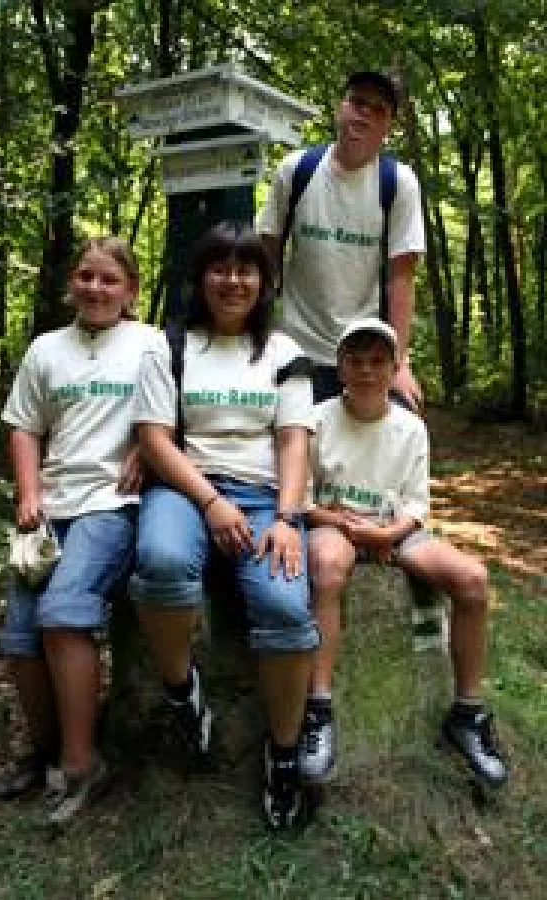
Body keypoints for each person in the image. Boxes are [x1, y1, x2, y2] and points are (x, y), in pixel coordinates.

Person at [130, 221, 319, 831]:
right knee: (159, 561)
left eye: (246, 270)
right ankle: (184, 694)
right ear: (201, 277)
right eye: (220, 268)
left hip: (265, 498)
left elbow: (293, 443)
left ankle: (284, 754)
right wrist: (211, 502)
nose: (232, 281)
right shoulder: (172, 346)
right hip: (187, 489)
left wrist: (288, 518)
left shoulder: (284, 354)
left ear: (264, 283)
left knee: (287, 605)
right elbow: (154, 440)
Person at [0, 237, 161, 825]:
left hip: (112, 503)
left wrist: (148, 445)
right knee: (18, 638)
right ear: (72, 283)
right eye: (85, 277)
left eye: (109, 279)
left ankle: (83, 765)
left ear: (131, 290)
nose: (95, 288)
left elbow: (175, 413)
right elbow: (23, 427)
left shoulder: (150, 343)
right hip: (50, 508)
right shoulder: (45, 350)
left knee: (64, 612)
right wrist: (30, 492)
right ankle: (42, 754)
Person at [300, 317, 508, 788]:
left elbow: (417, 504)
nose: (367, 371)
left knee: (473, 579)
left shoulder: (411, 428)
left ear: (395, 369)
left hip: (394, 528)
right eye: (355, 361)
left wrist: (389, 534)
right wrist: (343, 525)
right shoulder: (315, 421)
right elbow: (302, 500)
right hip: (336, 524)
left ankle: (468, 712)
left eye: (378, 362)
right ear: (340, 367)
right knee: (328, 566)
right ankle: (319, 708)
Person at [258, 69, 425, 409]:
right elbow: (266, 256)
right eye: (358, 102)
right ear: (340, 108)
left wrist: (400, 363)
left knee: (398, 427)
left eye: (378, 109)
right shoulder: (296, 170)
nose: (364, 113)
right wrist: (256, 336)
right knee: (292, 450)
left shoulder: (398, 183)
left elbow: (401, 276)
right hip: (294, 348)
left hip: (364, 354)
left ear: (387, 126)